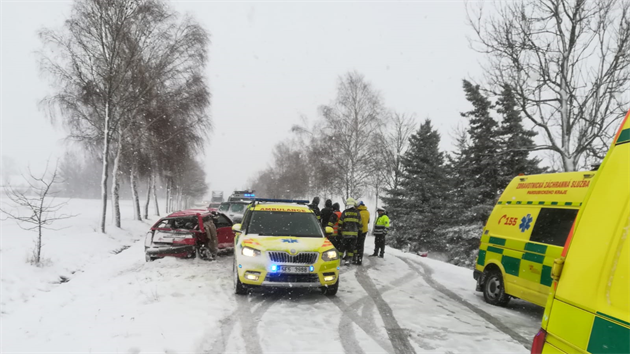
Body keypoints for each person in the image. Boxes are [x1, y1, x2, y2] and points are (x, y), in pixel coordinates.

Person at [338, 198, 362, 266]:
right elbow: (360, 224)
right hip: (354, 235)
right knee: (351, 248)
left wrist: (340, 230)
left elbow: (340, 222)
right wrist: (360, 232)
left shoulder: (345, 212)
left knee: (342, 247)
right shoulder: (357, 213)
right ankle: (348, 260)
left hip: (345, 234)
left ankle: (339, 259)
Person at [355, 201, 370, 265]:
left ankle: (355, 258)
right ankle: (360, 258)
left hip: (358, 230)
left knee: (356, 244)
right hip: (365, 230)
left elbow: (356, 222)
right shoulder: (367, 212)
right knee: (361, 245)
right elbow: (368, 221)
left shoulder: (358, 213)